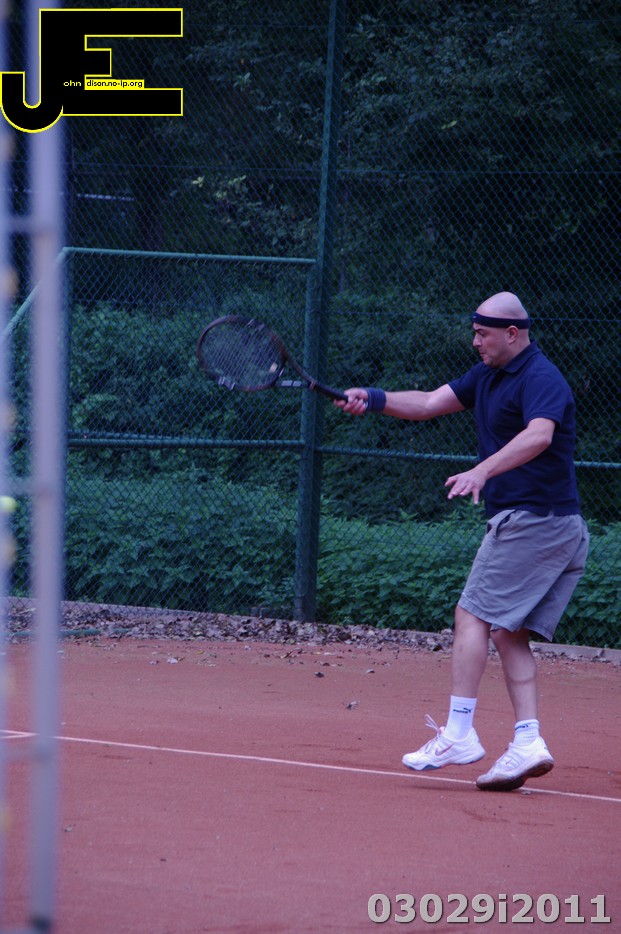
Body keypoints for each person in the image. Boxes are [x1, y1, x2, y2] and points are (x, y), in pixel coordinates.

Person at [336, 291, 589, 791]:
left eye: (482, 334)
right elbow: (430, 403)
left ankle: (458, 733)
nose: (475, 342)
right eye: (475, 333)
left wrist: (482, 470)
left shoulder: (542, 378)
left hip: (533, 522)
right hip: (556, 526)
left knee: (471, 616)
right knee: (508, 634)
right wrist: (375, 398)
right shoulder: (488, 375)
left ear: (512, 334)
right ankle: (528, 741)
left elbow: (539, 435)